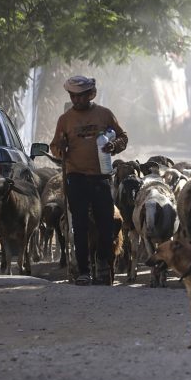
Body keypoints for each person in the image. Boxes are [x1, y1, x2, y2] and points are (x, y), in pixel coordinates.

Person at [49, 75, 128, 286]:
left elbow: (123, 137)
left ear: (90, 95)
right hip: (76, 178)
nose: (77, 101)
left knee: (106, 224)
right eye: (73, 97)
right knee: (80, 225)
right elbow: (54, 147)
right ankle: (83, 270)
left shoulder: (104, 114)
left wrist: (114, 146)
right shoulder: (65, 120)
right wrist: (61, 147)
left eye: (81, 96)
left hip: (101, 176)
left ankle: (102, 263)